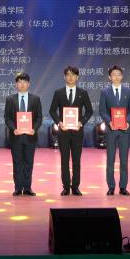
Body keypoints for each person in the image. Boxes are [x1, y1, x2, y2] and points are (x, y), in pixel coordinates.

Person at [48, 66, 94, 196]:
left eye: (73, 74)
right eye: (68, 74)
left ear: (77, 77)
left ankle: (75, 187)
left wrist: (81, 122)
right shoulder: (58, 93)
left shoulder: (83, 93)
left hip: (77, 131)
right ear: (64, 77)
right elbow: (52, 110)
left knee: (76, 160)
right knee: (64, 160)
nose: (70, 77)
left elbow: (89, 111)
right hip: (63, 131)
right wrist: (59, 122)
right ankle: (66, 187)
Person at [99, 64, 130, 195]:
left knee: (124, 160)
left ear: (122, 76)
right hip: (111, 129)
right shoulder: (105, 92)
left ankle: (123, 187)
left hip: (125, 130)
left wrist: (127, 121)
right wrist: (109, 122)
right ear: (109, 77)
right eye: (114, 75)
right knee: (110, 160)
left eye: (119, 74)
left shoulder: (128, 91)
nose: (116, 77)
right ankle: (111, 186)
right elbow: (102, 111)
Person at [4, 71, 42, 196]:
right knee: (17, 163)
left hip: (30, 136)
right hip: (16, 136)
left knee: (29, 163)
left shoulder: (35, 99)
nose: (22, 84)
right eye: (19, 82)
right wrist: (13, 128)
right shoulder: (10, 99)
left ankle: (27, 188)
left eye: (24, 82)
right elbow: (7, 118)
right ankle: (17, 188)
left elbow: (39, 118)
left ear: (29, 84)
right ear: (16, 84)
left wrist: (34, 129)